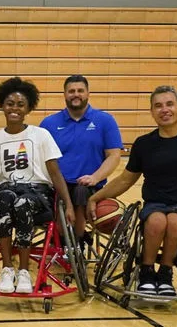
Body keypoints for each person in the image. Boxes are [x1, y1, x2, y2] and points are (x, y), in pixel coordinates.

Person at [88, 86, 177, 296]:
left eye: (169, 104)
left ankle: (165, 273)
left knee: (176, 221)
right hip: (155, 204)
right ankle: (146, 272)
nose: (164, 110)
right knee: (157, 221)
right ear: (152, 112)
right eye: (158, 106)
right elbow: (126, 179)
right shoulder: (144, 143)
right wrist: (96, 197)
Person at [0, 77, 74, 295]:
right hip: (6, 190)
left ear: (28, 108)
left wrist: (68, 204)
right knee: (5, 199)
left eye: (20, 104)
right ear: (2, 106)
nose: (14, 108)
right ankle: (7, 269)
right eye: (10, 104)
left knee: (23, 203)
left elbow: (55, 173)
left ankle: (24, 271)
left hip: (37, 193)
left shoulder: (41, 135)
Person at [40, 75, 123, 247]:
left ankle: (75, 243)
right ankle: (62, 241)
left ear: (88, 93)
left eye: (80, 91)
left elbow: (114, 156)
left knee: (80, 191)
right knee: (58, 196)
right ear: (64, 94)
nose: (75, 94)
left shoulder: (105, 120)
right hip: (57, 185)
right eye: (71, 91)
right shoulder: (49, 123)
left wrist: (95, 177)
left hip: (90, 186)